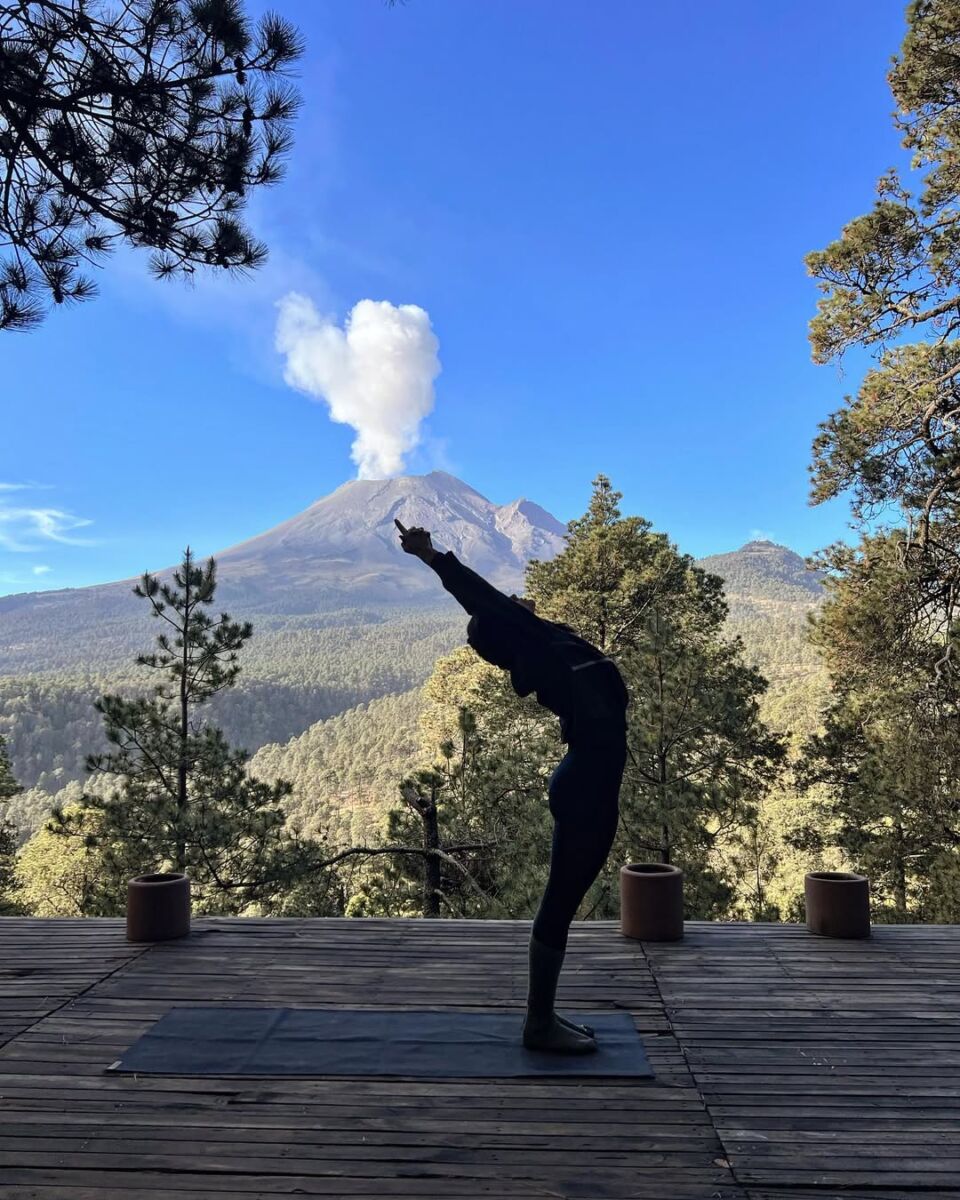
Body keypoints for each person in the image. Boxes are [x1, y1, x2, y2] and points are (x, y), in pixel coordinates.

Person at [395, 519, 630, 1054]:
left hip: (588, 781)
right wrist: (431, 556)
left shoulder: (548, 643)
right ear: (507, 628)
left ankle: (544, 1019)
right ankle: (539, 1024)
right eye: (510, 606)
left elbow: (502, 608)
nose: (518, 598)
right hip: (586, 785)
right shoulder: (535, 645)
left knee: (562, 900)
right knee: (561, 902)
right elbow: (482, 598)